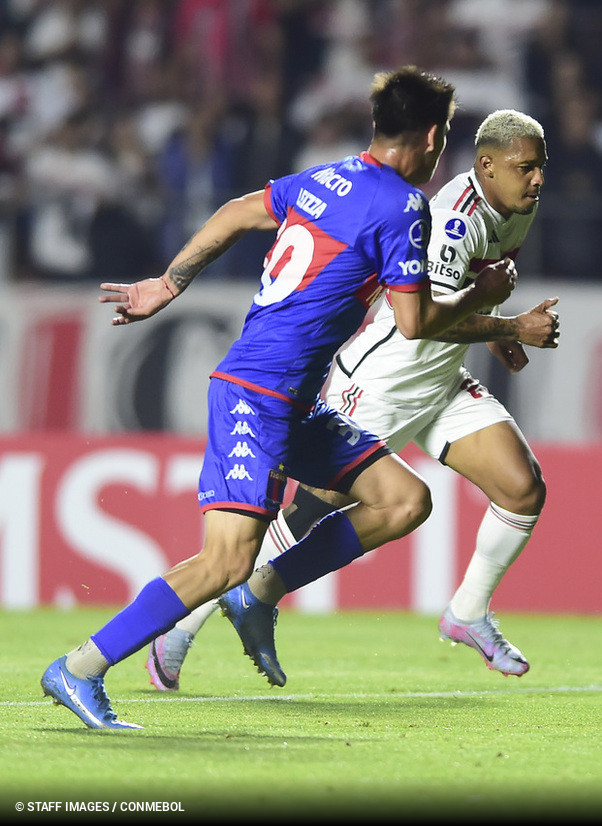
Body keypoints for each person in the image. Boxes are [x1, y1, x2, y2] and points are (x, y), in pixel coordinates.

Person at [40, 66, 518, 730]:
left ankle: (264, 592)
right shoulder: (403, 207)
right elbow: (415, 324)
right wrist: (488, 303)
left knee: (404, 499)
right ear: (434, 137)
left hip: (294, 404)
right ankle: (82, 667)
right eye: (445, 141)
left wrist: (168, 283)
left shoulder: (326, 178)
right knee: (225, 558)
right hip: (257, 394)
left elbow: (239, 212)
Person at [146, 109, 555, 690]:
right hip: (383, 380)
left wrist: (496, 329)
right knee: (300, 514)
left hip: (438, 383)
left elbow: (465, 303)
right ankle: (180, 628)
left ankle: (466, 613)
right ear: (485, 165)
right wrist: (510, 328)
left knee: (522, 489)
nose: (537, 179)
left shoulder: (516, 206)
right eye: (526, 168)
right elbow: (423, 323)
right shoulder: (450, 224)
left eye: (540, 167)